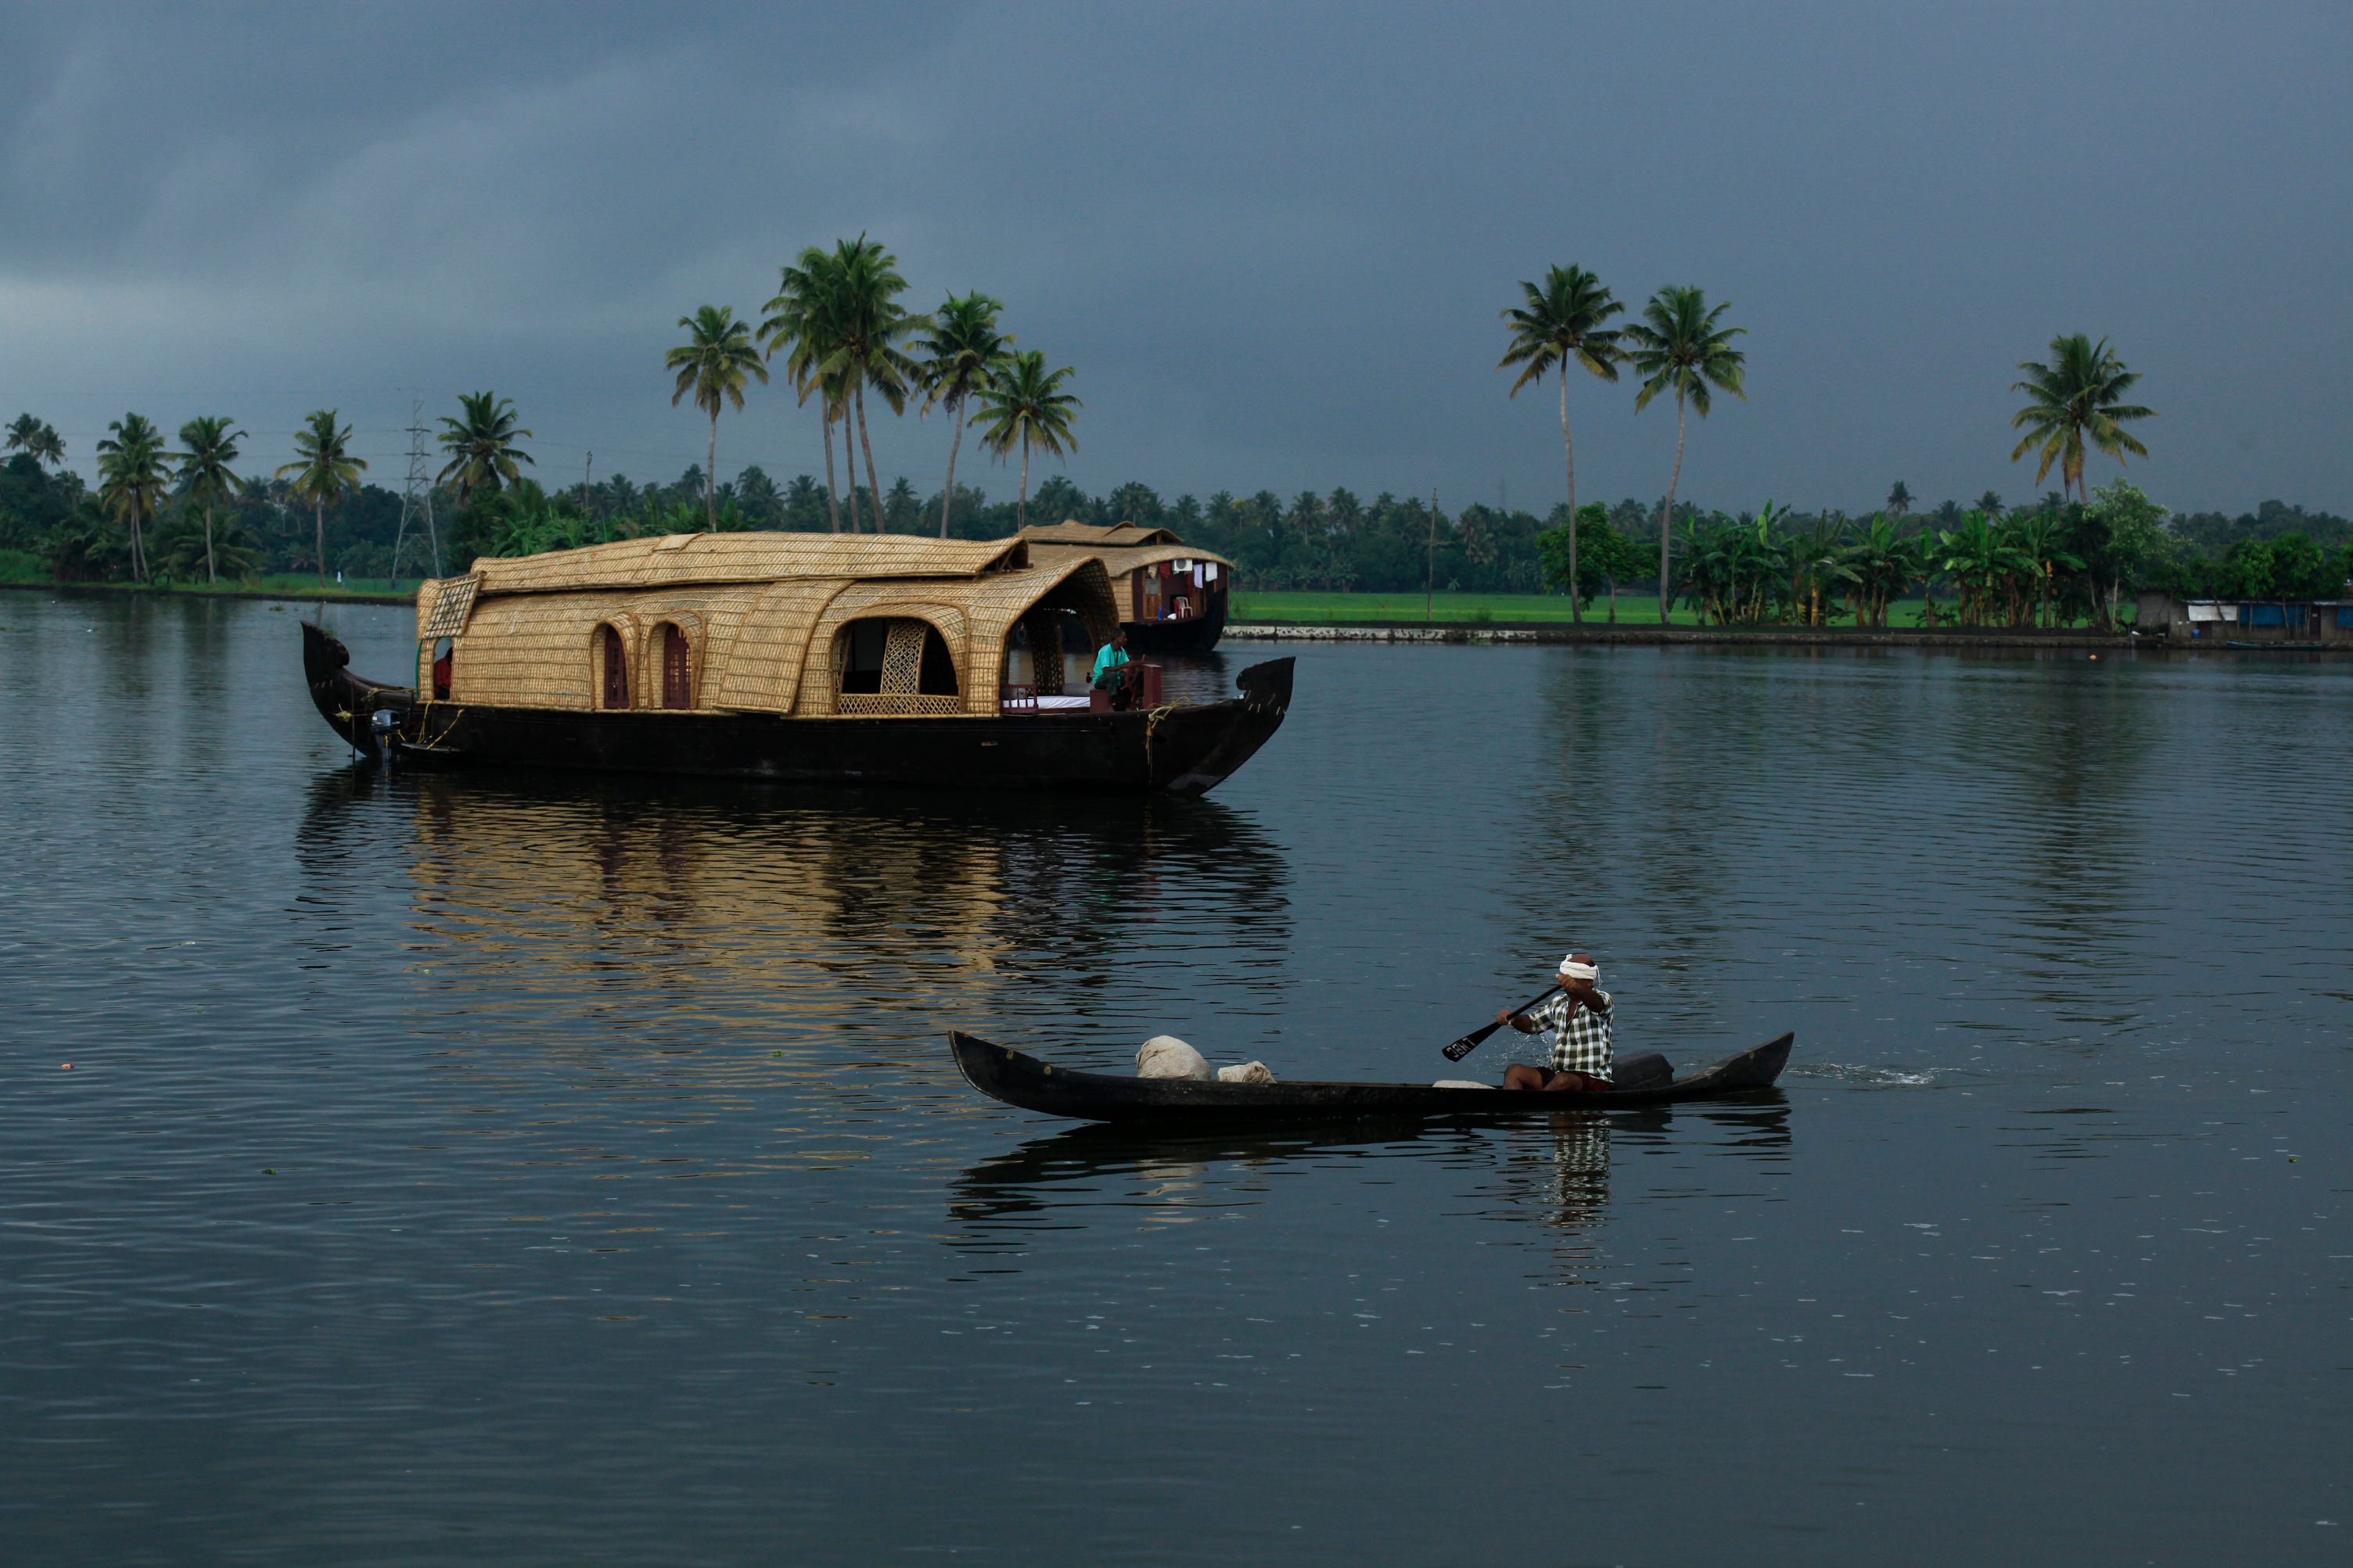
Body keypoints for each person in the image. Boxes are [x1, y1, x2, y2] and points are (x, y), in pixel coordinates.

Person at [1498, 952, 1615, 1091]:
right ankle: (1512, 1110)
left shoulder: (1604, 999)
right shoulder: (1559, 1003)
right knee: (1515, 1071)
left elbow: (1597, 1004)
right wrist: (1513, 1018)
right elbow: (1533, 1024)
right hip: (1558, 1076)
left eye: (1573, 981)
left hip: (1593, 1080)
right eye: (1567, 981)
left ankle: (1537, 1106)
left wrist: (1576, 987)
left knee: (1563, 1080)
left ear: (1589, 982)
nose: (1567, 986)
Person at [1091, 628, 1135, 708]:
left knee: (1129, 679)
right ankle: (1113, 701)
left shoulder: (1122, 651)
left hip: (1115, 679)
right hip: (1101, 680)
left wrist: (1129, 671)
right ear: (1117, 638)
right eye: (1123, 637)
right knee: (1112, 675)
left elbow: (1127, 666)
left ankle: (1128, 703)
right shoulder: (1105, 650)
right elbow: (1106, 670)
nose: (1126, 639)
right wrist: (1123, 666)